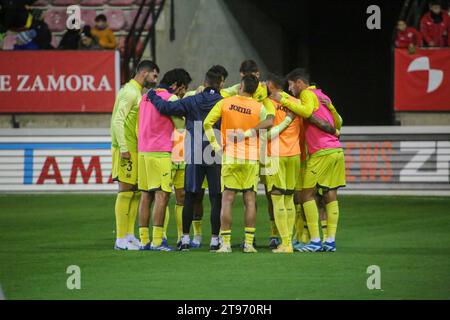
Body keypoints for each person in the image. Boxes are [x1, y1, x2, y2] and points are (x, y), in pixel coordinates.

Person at [146, 70, 224, 251]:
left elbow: (166, 108)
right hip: (215, 152)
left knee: (190, 195)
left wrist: (152, 96)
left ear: (204, 83)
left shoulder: (191, 101)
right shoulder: (224, 103)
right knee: (215, 197)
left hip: (194, 151)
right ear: (220, 84)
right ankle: (214, 240)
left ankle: (186, 240)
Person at [273, 68, 345, 253]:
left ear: (299, 82)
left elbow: (305, 111)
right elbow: (338, 122)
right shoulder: (324, 96)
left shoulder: (306, 93)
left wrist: (283, 99)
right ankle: (330, 241)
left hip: (321, 151)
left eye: (290, 85)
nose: (290, 89)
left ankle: (314, 240)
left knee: (305, 194)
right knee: (330, 193)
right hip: (336, 149)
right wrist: (329, 114)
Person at [204, 74, 274, 253]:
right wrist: (252, 131)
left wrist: (216, 146)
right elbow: (270, 122)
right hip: (251, 157)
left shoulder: (225, 102)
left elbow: (207, 124)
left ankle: (225, 244)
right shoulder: (259, 107)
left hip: (230, 156)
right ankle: (249, 244)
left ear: (241, 85)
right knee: (250, 199)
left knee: (227, 199)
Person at [137, 69, 190, 251]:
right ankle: (158, 241)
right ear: (175, 85)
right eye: (183, 89)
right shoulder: (171, 98)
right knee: (162, 196)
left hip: (143, 151)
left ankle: (144, 240)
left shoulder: (145, 97)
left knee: (146, 195)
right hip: (161, 151)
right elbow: (181, 126)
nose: (182, 93)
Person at [110, 60, 159, 250]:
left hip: (135, 148)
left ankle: (129, 235)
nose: (155, 80)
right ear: (144, 73)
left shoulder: (135, 92)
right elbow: (118, 121)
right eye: (153, 76)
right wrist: (123, 147)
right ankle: (120, 239)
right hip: (127, 149)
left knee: (136, 192)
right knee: (125, 191)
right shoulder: (130, 92)